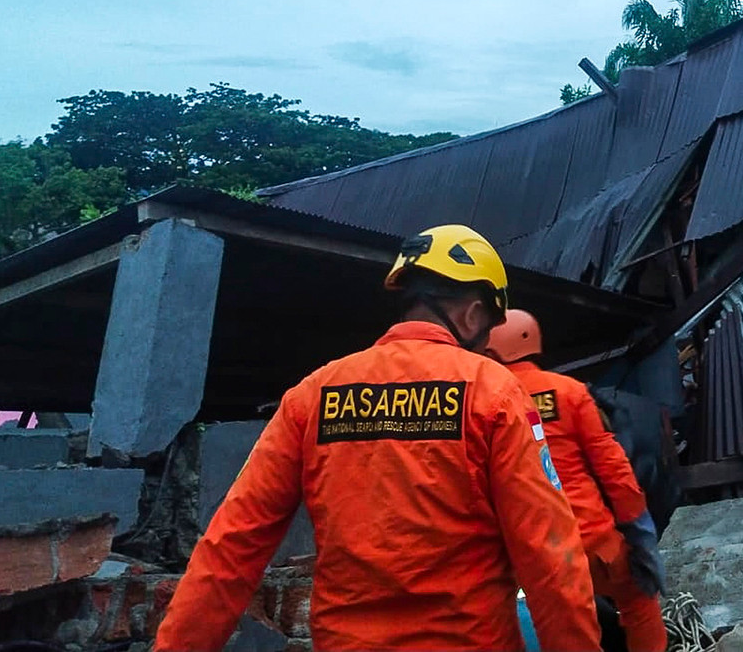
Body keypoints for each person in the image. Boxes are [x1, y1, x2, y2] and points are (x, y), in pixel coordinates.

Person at [155, 225, 601, 651]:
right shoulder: (495, 391)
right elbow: (550, 557)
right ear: (472, 313)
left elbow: (230, 549)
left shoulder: (314, 394)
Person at [486, 310, 669, 652]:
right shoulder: (569, 392)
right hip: (595, 544)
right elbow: (614, 469)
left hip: (534, 558)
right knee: (639, 602)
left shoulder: (484, 401)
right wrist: (640, 535)